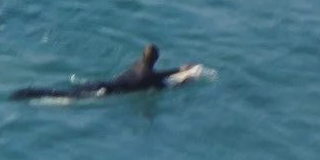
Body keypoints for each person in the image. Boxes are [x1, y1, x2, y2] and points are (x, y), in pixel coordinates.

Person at [11, 44, 204, 101]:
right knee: (67, 96)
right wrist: (186, 79)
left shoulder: (138, 65)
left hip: (102, 83)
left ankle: (29, 92)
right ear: (155, 60)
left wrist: (179, 69)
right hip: (106, 91)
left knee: (64, 90)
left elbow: (160, 74)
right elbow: (164, 81)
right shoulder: (149, 77)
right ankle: (30, 94)